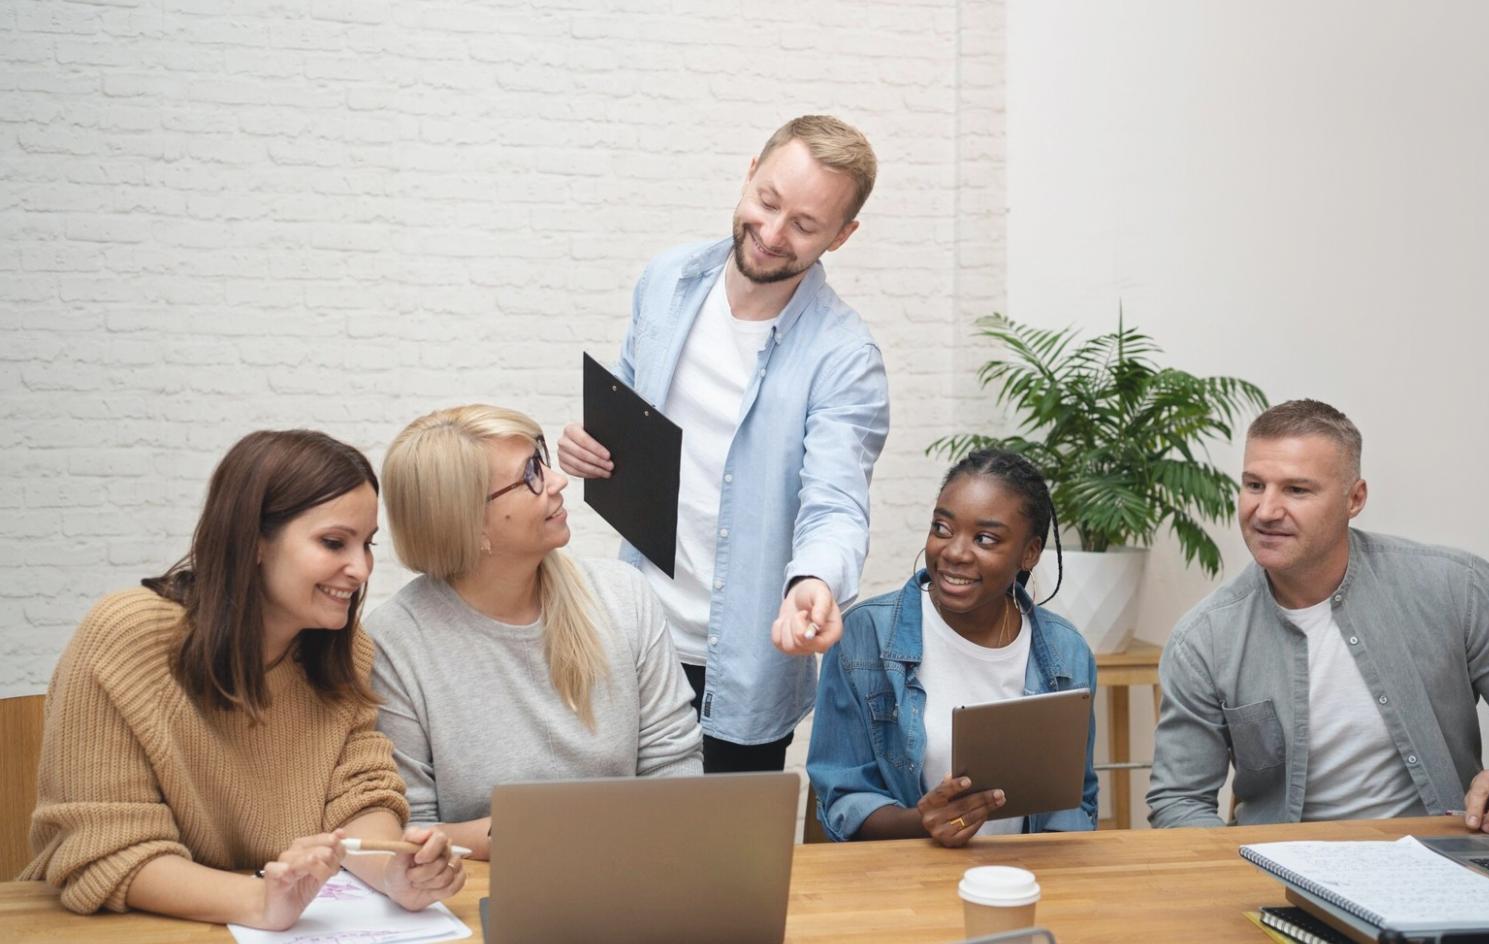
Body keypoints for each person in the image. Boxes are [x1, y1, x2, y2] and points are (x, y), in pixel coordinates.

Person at [22, 430, 464, 929]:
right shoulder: (125, 637)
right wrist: (257, 902)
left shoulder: (345, 650)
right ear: (253, 541)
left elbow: (359, 798)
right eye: (334, 542)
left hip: (278, 920)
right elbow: (104, 847)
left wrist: (395, 874)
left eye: (367, 544)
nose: (360, 568)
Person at [557, 114, 890, 772]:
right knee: (613, 855)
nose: (770, 234)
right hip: (632, 635)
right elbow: (629, 410)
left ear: (842, 236)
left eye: (803, 225)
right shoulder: (667, 280)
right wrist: (587, 448)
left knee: (719, 868)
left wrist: (815, 580)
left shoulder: (844, 358)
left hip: (739, 665)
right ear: (749, 175)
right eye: (766, 202)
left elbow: (836, 501)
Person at [1147, 399, 1489, 832]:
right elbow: (1179, 799)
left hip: (1444, 860)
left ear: (1355, 498)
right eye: (1254, 485)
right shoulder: (1204, 639)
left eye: (1297, 490)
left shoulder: (1457, 588)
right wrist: (1244, 871)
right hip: (1281, 870)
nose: (1266, 510)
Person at [366, 405, 702, 860]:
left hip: (632, 873)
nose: (558, 480)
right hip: (477, 892)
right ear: (467, 522)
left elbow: (674, 771)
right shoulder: (394, 643)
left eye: (542, 458)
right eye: (531, 474)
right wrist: (555, 836)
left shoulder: (626, 597)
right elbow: (414, 830)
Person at [806, 448, 1098, 844]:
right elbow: (841, 799)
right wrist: (922, 822)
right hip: (904, 882)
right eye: (942, 528)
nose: (954, 552)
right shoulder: (866, 636)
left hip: (1022, 883)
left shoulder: (1068, 652)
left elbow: (1074, 801)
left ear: (1029, 553)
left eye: (985, 538)